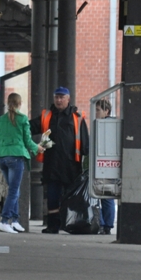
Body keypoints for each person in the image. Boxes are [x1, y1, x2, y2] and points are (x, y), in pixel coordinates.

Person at [30, 86, 90, 234]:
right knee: (52, 197)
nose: (58, 100)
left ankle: (72, 224)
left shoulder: (77, 118)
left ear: (68, 99)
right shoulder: (46, 115)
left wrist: (88, 163)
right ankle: (53, 226)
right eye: (56, 97)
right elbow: (30, 127)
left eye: (62, 97)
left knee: (72, 197)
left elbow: (85, 143)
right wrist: (17, 121)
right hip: (52, 164)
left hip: (71, 165)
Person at [0, 92, 42, 234]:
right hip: (16, 157)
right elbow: (27, 140)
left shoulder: (0, 120)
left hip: (2, 157)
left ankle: (15, 220)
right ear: (20, 104)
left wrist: (3, 149)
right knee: (14, 191)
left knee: (14, 190)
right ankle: (4, 221)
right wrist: (37, 148)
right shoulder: (22, 119)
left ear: (8, 103)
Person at [94, 99, 116, 235]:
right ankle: (106, 224)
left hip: (104, 164)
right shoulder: (109, 124)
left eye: (98, 110)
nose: (95, 113)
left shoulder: (105, 125)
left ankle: (104, 225)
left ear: (106, 111)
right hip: (108, 164)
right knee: (106, 196)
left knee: (104, 196)